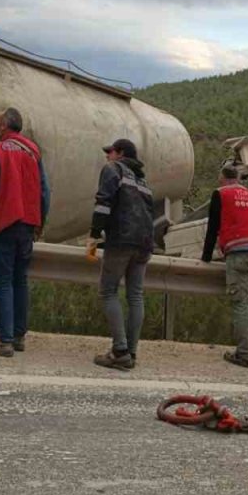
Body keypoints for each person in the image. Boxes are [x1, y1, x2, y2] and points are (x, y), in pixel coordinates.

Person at [0, 108, 49, 357]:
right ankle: (18, 336)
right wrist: (40, 223)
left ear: (6, 126)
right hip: (28, 224)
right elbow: (44, 192)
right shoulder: (34, 151)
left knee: (4, 281)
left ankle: (4, 340)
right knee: (21, 280)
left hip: (6, 224)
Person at [88, 138, 154, 371]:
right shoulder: (143, 180)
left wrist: (95, 233)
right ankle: (131, 352)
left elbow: (103, 202)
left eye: (111, 152)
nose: (107, 156)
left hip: (122, 239)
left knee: (108, 291)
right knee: (135, 295)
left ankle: (120, 351)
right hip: (145, 242)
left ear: (121, 153)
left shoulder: (113, 169)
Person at [201, 165, 248, 368]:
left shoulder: (221, 193)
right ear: (238, 178)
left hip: (240, 251)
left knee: (241, 302)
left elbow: (213, 227)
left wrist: (206, 257)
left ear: (221, 178)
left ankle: (243, 353)